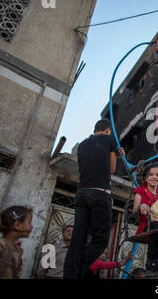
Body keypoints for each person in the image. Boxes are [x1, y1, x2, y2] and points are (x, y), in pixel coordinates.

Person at [63, 119, 125, 279]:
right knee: (100, 239)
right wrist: (116, 154)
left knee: (77, 240)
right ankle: (84, 271)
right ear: (107, 130)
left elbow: (95, 163)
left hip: (82, 194)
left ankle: (70, 275)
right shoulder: (109, 140)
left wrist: (112, 153)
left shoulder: (83, 144)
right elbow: (110, 170)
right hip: (100, 194)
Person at [132, 163, 158, 276]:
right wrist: (141, 206)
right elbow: (134, 210)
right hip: (146, 227)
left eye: (157, 175)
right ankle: (151, 262)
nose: (154, 177)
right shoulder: (140, 190)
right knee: (156, 225)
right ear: (146, 178)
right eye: (151, 175)